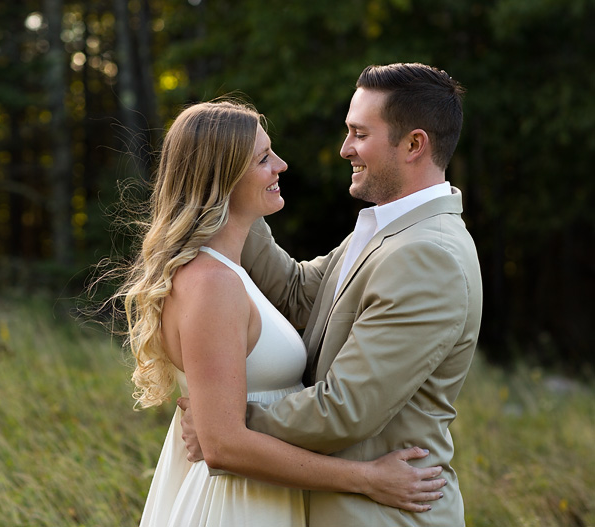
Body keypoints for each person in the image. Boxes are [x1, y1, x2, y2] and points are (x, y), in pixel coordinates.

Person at [115, 99, 447, 527]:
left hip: (262, 498)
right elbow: (222, 446)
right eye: (263, 158)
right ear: (224, 179)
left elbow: (298, 289)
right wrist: (366, 478)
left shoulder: (230, 272)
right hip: (235, 506)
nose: (281, 165)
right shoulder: (213, 284)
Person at [179, 63, 483, 527]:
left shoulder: (427, 255)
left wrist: (225, 428)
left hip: (382, 516)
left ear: (414, 144)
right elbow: (299, 294)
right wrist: (226, 174)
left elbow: (344, 410)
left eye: (359, 133)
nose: (345, 149)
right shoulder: (391, 231)